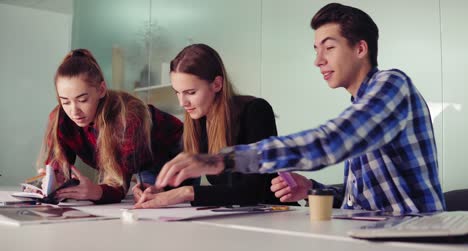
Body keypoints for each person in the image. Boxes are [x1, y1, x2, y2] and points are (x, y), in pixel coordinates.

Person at [152, 3, 446, 213]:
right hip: (375, 235)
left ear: (360, 48)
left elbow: (330, 141)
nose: (318, 60)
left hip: (415, 238)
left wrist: (221, 160)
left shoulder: (392, 85)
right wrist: (313, 189)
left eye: (328, 48)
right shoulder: (362, 104)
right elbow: (363, 197)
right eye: (316, 50)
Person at [133, 43, 294, 208]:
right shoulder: (198, 120)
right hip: (235, 220)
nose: (182, 103)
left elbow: (253, 190)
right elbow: (185, 183)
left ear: (217, 84)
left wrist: (187, 193)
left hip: (274, 214)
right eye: (177, 92)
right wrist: (159, 191)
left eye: (190, 92)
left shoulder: (256, 111)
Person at [35, 48, 186, 204]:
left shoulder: (126, 118)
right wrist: (52, 179)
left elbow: (118, 185)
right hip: (138, 163)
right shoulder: (60, 118)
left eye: (83, 100)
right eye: (65, 102)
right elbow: (57, 168)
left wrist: (95, 191)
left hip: (176, 155)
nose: (74, 111)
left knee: (159, 204)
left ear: (101, 90)